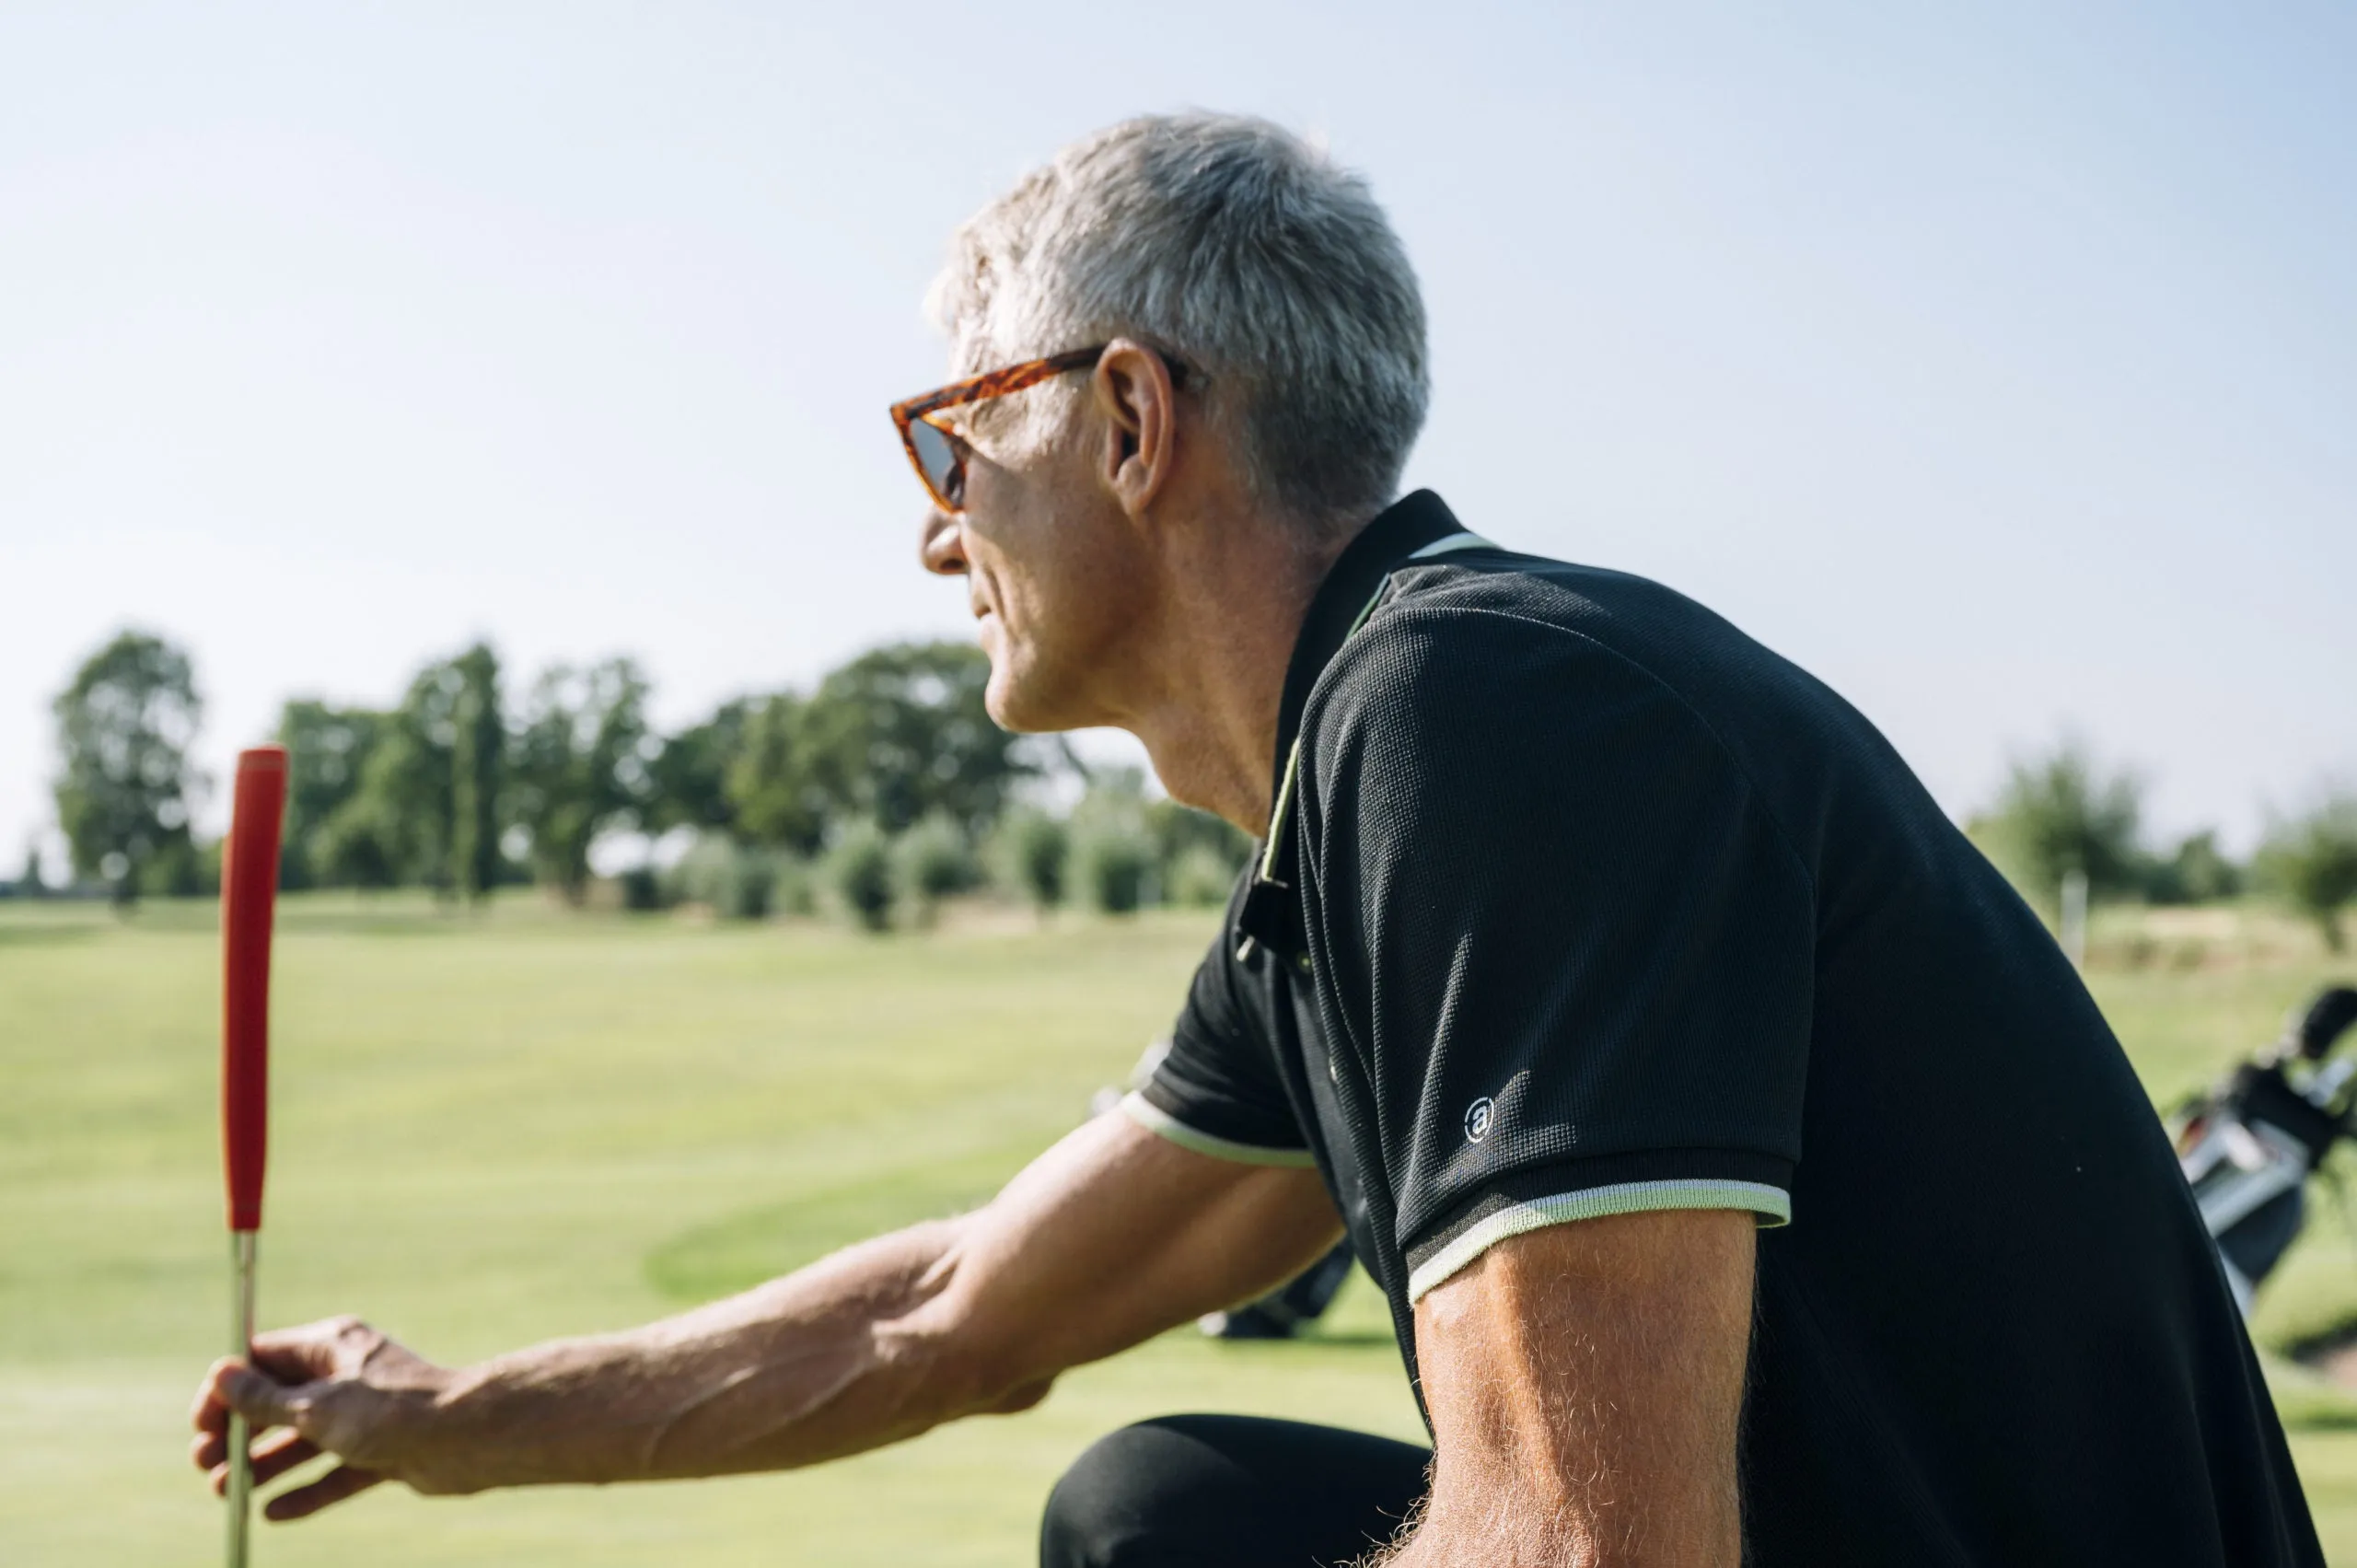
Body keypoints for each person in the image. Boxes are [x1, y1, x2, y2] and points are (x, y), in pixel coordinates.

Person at [192, 112, 2320, 1566]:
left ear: (1126, 423)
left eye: (958, 434)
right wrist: (454, 1414)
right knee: (1159, 1506)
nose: (927, 524)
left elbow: (1584, 1541)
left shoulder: (1477, 711)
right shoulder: (1372, 790)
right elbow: (945, 1312)